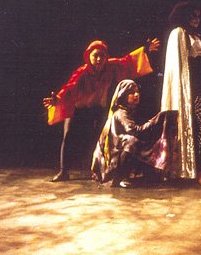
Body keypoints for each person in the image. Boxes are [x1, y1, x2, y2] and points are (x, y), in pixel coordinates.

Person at [43, 38, 159, 182]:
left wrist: (145, 50)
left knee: (100, 139)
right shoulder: (82, 72)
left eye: (102, 56)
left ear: (106, 57)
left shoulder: (111, 66)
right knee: (68, 137)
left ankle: (98, 171)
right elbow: (70, 88)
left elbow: (128, 62)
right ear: (88, 57)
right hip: (79, 109)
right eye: (95, 56)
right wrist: (58, 99)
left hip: (98, 108)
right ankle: (63, 171)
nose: (98, 59)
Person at [161, 1, 201, 186]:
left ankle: (197, 168)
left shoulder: (196, 35)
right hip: (187, 86)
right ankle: (197, 170)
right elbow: (179, 64)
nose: (196, 20)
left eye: (198, 16)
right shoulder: (178, 33)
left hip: (199, 85)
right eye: (192, 16)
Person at [91, 80, 178, 188]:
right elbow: (135, 131)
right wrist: (157, 119)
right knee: (131, 142)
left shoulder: (128, 111)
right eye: (132, 92)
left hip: (119, 150)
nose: (136, 95)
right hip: (116, 154)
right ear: (123, 95)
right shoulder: (121, 113)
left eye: (137, 92)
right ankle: (119, 177)